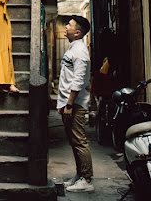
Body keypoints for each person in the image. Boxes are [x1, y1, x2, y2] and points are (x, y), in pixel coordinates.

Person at [58, 15, 94, 193]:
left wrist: (70, 104)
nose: (66, 26)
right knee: (74, 141)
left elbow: (78, 80)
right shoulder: (74, 48)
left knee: (79, 141)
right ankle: (79, 175)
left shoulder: (80, 52)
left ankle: (86, 180)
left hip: (75, 104)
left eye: (69, 25)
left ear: (78, 32)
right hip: (68, 102)